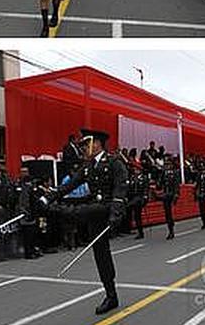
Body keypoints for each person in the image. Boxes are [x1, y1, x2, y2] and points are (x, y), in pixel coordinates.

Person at [44, 129, 128, 314]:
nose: (83, 148)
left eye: (86, 144)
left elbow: (120, 190)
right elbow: (70, 184)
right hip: (95, 211)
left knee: (81, 211)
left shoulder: (114, 162)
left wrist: (116, 214)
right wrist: (49, 196)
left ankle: (54, 211)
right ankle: (111, 295)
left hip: (105, 209)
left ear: (97, 144)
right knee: (101, 254)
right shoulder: (89, 166)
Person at [156, 157, 180, 239]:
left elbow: (176, 185)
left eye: (168, 164)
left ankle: (171, 231)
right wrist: (158, 182)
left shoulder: (175, 173)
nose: (166, 166)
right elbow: (160, 184)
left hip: (171, 194)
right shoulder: (163, 173)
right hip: (165, 194)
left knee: (169, 213)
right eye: (165, 164)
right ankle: (170, 225)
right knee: (167, 213)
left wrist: (176, 194)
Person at [126, 164, 149, 239]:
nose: (135, 171)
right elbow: (129, 188)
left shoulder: (144, 178)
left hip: (139, 198)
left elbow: (146, 188)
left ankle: (140, 232)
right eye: (135, 170)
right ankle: (131, 228)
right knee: (133, 214)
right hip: (132, 197)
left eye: (137, 169)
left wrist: (145, 197)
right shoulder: (132, 178)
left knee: (137, 216)